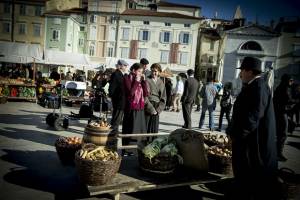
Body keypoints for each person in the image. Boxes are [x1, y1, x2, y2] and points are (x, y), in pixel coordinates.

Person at [226, 57, 278, 200]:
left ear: (249, 71)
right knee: (245, 175)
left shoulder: (259, 87)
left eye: (242, 70)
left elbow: (253, 117)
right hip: (248, 141)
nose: (240, 74)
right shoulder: (253, 85)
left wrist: (236, 135)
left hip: (252, 143)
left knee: (249, 176)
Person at [122, 63, 149, 156]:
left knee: (139, 131)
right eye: (139, 71)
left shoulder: (140, 79)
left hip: (140, 108)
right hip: (131, 108)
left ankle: (136, 150)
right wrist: (137, 81)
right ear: (133, 70)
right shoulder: (127, 78)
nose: (141, 74)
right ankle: (127, 150)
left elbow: (146, 94)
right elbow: (130, 93)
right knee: (130, 129)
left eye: (142, 72)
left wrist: (144, 81)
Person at [273, 74, 294, 161]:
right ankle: (278, 153)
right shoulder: (284, 88)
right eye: (291, 80)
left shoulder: (281, 87)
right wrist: (295, 101)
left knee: (280, 134)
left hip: (280, 113)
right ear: (286, 80)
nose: (292, 82)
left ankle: (277, 152)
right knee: (282, 134)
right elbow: (288, 100)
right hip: (281, 113)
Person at [144, 63, 166, 133]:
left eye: (156, 71)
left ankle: (153, 141)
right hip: (148, 104)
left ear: (159, 72)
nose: (154, 73)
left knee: (154, 127)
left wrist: (159, 109)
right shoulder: (147, 80)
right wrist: (150, 108)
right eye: (152, 71)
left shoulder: (161, 82)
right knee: (146, 125)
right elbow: (144, 96)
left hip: (157, 105)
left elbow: (163, 97)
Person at [109, 59, 129, 132]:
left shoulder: (121, 74)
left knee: (118, 119)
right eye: (125, 66)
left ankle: (114, 132)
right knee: (116, 119)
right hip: (118, 101)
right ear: (120, 66)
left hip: (121, 101)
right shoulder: (116, 74)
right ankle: (113, 134)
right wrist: (114, 99)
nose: (126, 67)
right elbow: (112, 88)